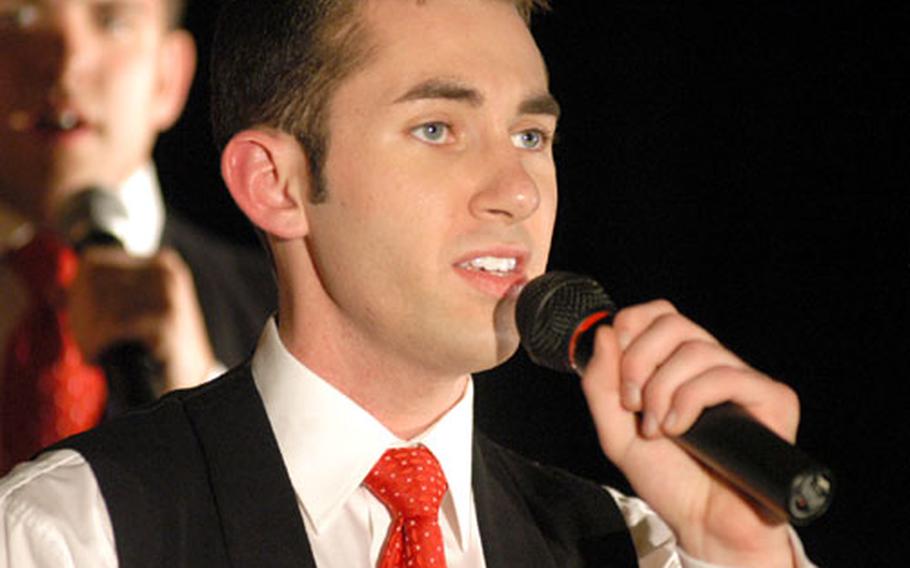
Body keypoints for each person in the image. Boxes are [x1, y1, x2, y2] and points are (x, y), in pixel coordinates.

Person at [0, 0, 816, 566]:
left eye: (531, 134)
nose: (519, 190)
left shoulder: (634, 545)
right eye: (437, 129)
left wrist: (742, 554)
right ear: (276, 184)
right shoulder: (72, 534)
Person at [0, 0, 275, 472]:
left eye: (113, 22)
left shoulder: (290, 312)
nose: (67, 63)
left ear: (170, 77)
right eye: (18, 19)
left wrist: (205, 402)